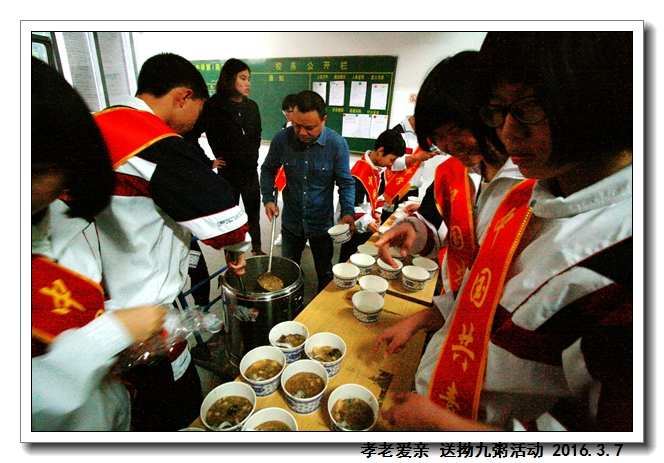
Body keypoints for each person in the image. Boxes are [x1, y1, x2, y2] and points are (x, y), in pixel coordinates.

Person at [376, 31, 633, 432]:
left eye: (527, 108)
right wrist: (416, 238)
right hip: (449, 372)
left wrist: (450, 429)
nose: (509, 131)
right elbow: (473, 273)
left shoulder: (613, 253)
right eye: (498, 111)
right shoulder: (545, 192)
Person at [92, 53, 251, 431]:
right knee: (174, 412)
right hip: (142, 321)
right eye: (198, 110)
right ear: (183, 97)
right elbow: (227, 221)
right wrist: (239, 248)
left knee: (125, 410)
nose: (196, 122)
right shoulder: (149, 140)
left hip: (93, 310)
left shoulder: (96, 124)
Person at [30, 57, 167, 431]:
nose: (63, 190)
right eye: (47, 171)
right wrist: (110, 334)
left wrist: (116, 330)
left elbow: (72, 307)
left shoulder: (52, 217)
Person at [383, 51, 524, 296]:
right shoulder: (450, 173)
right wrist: (414, 231)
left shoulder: (533, 182)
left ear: (491, 113)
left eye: (457, 129)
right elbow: (436, 227)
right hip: (457, 299)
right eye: (438, 136)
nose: (450, 145)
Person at [260, 90, 356, 293]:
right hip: (291, 222)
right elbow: (268, 169)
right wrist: (268, 198)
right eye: (297, 126)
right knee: (289, 273)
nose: (302, 132)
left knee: (325, 272)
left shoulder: (337, 144)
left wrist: (348, 212)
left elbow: (346, 183)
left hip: (321, 224)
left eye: (310, 128)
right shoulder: (282, 139)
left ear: (323, 120)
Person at [186, 58, 265, 256]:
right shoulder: (213, 106)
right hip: (227, 174)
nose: (247, 83)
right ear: (230, 80)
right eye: (243, 78)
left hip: (250, 173)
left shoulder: (252, 107)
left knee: (253, 215)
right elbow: (190, 135)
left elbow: (257, 135)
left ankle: (257, 250)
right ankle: (233, 256)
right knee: (228, 219)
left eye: (249, 79)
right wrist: (208, 162)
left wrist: (253, 156)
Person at [338, 130, 406, 263]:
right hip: (356, 227)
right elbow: (351, 206)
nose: (391, 164)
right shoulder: (359, 173)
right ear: (381, 151)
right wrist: (367, 222)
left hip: (368, 225)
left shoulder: (378, 170)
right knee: (349, 260)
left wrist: (377, 212)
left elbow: (379, 196)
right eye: (391, 159)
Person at [380, 115, 445, 223]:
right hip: (396, 189)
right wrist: (416, 157)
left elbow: (444, 148)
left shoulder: (424, 134)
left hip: (413, 191)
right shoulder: (397, 132)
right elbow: (389, 163)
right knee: (389, 224)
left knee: (410, 223)